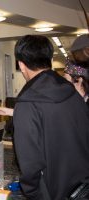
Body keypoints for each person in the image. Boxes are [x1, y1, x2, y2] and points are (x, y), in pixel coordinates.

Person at [11, 35, 89, 200]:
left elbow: (29, 163)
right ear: (49, 59)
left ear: (21, 64)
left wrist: (33, 194)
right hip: (82, 185)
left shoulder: (27, 102)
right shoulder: (71, 91)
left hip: (54, 192)